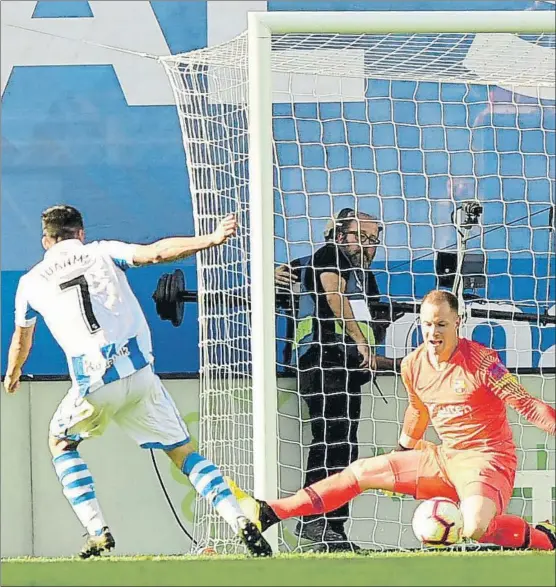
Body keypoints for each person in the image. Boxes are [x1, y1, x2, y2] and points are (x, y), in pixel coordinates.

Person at [3, 205, 272, 559]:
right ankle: (238, 518)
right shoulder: (102, 251)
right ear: (80, 233)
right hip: (141, 374)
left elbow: (23, 340)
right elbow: (156, 252)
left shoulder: (29, 283)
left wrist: (13, 373)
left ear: (46, 241)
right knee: (184, 453)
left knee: (61, 443)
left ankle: (97, 530)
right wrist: (211, 239)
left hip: (94, 381)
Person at [227, 289, 556, 551]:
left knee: (475, 528)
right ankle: (268, 512)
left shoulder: (484, 362)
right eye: (427, 324)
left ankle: (546, 538)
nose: (433, 332)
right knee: (360, 472)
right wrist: (402, 451)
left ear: (457, 322)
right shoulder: (413, 364)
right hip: (443, 458)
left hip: (488, 460)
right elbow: (418, 410)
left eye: (441, 324)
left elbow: (527, 404)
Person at [273, 208, 402, 551]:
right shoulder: (330, 254)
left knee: (343, 447)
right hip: (322, 361)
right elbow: (333, 295)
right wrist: (360, 341)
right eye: (360, 236)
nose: (367, 246)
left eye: (373, 239)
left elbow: (370, 331)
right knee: (331, 443)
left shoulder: (365, 279)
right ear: (340, 236)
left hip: (346, 370)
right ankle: (315, 522)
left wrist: (392, 360)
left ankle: (332, 529)